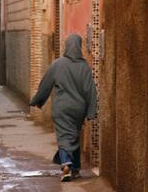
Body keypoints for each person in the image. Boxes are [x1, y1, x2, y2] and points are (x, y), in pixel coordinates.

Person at [29, 33, 97, 182]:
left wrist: (37, 100)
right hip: (79, 109)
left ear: (66, 46)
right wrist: (91, 112)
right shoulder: (85, 67)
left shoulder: (57, 64)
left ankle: (66, 165)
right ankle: (76, 168)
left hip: (61, 108)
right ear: (79, 47)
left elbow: (46, 84)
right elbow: (91, 90)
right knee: (74, 135)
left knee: (64, 137)